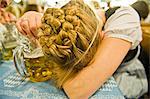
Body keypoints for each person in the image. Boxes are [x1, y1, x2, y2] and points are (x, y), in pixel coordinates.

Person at [16, 0, 149, 98]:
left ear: (103, 36)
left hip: (128, 73)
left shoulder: (124, 19)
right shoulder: (70, 22)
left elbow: (77, 90)